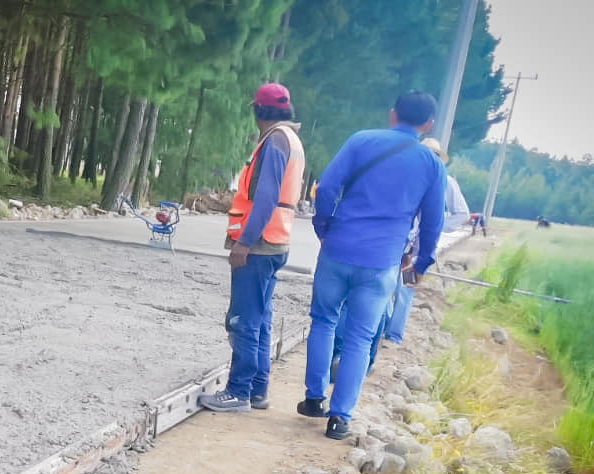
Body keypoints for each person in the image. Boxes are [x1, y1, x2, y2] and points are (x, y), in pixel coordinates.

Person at [300, 91, 445, 440]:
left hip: (337, 249)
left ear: (392, 114)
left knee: (323, 321)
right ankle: (340, 419)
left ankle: (314, 398)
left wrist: (324, 227)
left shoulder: (361, 140)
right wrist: (421, 262)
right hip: (382, 262)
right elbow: (433, 222)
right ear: (429, 125)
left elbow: (326, 187)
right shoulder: (431, 164)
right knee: (360, 338)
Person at [200, 83, 304, 413]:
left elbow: (265, 198)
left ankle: (238, 391)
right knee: (259, 319)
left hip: (259, 244)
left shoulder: (274, 141)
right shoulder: (291, 139)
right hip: (276, 241)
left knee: (244, 319)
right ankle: (258, 390)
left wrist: (243, 243)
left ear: (258, 111)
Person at [381, 137, 468, 343]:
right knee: (384, 283)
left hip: (419, 245)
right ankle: (383, 329)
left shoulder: (446, 181)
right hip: (399, 238)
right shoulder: (407, 175)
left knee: (406, 287)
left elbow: (462, 214)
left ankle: (393, 335)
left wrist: (433, 227)